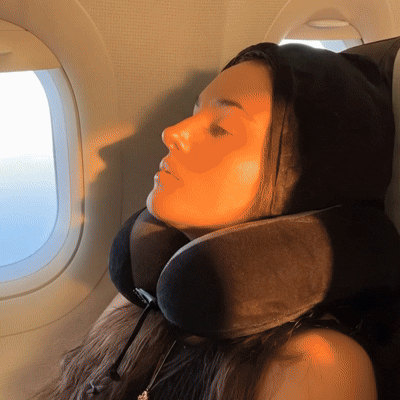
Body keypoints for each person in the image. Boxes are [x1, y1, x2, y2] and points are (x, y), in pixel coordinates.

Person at [30, 42, 400, 400]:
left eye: (222, 127)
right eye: (194, 113)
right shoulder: (147, 298)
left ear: (304, 183)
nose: (173, 133)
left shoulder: (316, 366)